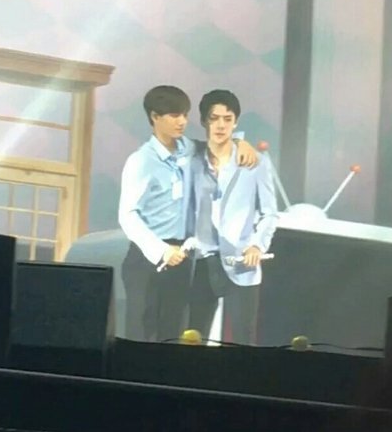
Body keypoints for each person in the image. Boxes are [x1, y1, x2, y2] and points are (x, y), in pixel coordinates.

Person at [118, 85, 257, 342]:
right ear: (154, 117)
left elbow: (219, 143)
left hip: (182, 257)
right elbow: (127, 215)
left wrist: (241, 142)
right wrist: (161, 250)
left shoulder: (189, 149)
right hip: (148, 257)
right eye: (174, 115)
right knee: (142, 335)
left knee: (173, 334)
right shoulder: (141, 161)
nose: (182, 121)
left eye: (184, 114)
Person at [188, 89, 278, 345]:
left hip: (241, 260)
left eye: (227, 119)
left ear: (235, 122)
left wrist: (257, 245)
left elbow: (270, 212)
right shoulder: (192, 158)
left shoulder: (255, 162)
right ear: (204, 121)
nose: (221, 125)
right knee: (192, 337)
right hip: (201, 260)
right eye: (214, 118)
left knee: (242, 342)